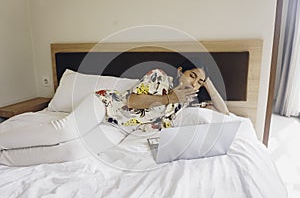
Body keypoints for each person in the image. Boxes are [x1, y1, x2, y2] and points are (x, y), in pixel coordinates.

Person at [0, 66, 228, 166]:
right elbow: (132, 102)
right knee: (64, 130)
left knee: (72, 151)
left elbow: (224, 112)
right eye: (192, 75)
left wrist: (208, 83)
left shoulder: (186, 104)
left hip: (119, 129)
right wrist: (170, 98)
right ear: (180, 71)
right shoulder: (159, 76)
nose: (193, 82)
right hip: (106, 104)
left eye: (198, 81)